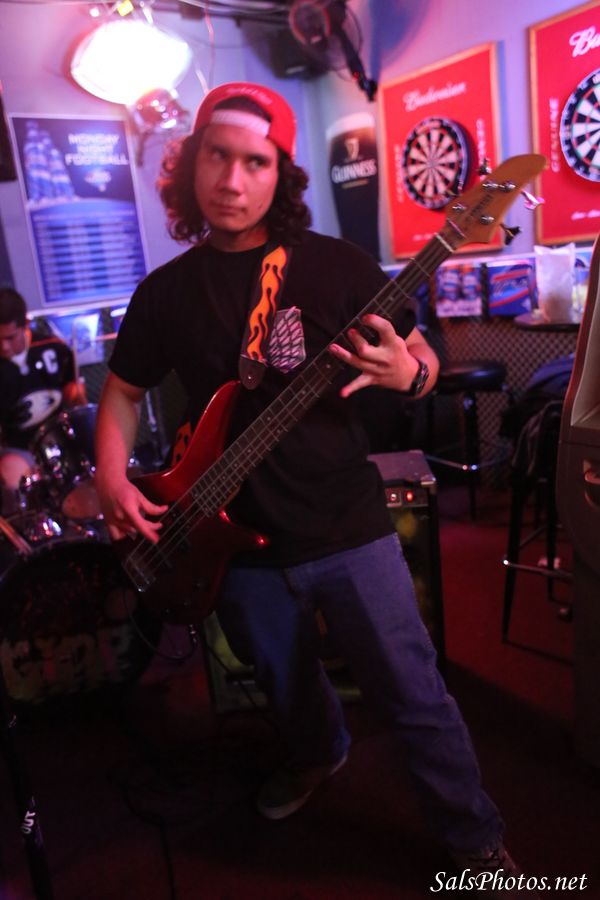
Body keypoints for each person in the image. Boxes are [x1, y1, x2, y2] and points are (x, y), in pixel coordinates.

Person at [94, 82, 529, 891]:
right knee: (283, 681)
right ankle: (318, 752)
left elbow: (421, 355)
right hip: (231, 544)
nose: (232, 180)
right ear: (189, 165)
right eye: (216, 156)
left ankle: (475, 839)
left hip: (346, 527)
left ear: (281, 174)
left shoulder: (335, 265)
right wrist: (110, 472)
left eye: (254, 162)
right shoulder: (165, 293)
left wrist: (410, 373)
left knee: (413, 692)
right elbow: (121, 393)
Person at [0, 287, 86, 492]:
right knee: (14, 484)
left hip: (60, 436)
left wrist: (76, 395)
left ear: (26, 324)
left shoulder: (53, 347)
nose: (3, 347)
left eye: (10, 338)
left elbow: (73, 391)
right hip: (19, 446)